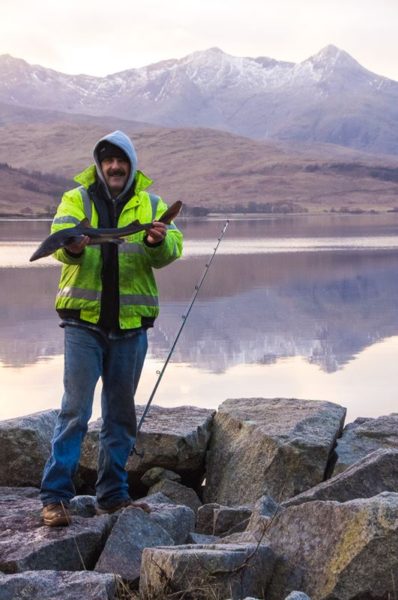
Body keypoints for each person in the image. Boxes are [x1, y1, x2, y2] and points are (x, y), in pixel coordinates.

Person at [40, 130, 183, 526]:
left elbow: (171, 251)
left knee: (120, 415)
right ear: (100, 164)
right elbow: (59, 249)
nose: (114, 167)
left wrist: (157, 241)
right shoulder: (76, 199)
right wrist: (71, 247)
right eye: (108, 161)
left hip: (131, 328)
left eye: (121, 160)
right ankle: (54, 498)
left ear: (131, 163)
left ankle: (113, 496)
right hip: (82, 325)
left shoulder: (152, 204)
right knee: (74, 411)